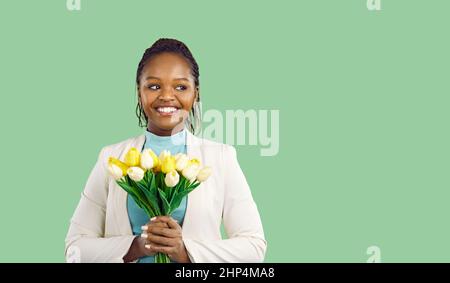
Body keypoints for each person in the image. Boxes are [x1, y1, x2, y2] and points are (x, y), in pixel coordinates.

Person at [65, 38, 267, 263]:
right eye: (153, 86)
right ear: (139, 92)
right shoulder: (111, 159)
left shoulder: (221, 157)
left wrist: (183, 251)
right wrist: (138, 246)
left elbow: (253, 247)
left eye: (181, 86)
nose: (167, 96)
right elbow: (75, 250)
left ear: (196, 93)